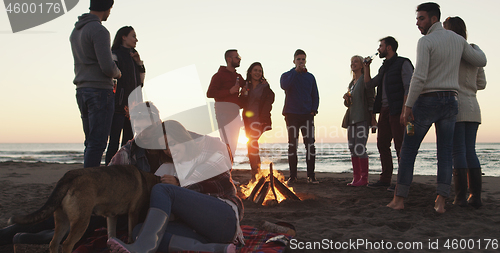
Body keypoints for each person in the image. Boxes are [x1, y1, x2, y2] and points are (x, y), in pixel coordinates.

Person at [387, 2, 487, 213]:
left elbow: (419, 76)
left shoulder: (426, 41)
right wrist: (473, 47)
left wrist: (407, 106)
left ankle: (399, 199)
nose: (417, 23)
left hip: (428, 100)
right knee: (445, 153)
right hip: (451, 101)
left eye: (421, 18)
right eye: (416, 19)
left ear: (434, 19)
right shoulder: (458, 40)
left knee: (408, 151)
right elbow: (480, 60)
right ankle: (440, 202)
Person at [107, 120, 243, 253]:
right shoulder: (166, 169)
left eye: (172, 143)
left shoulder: (206, 154)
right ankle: (216, 249)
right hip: (196, 229)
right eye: (164, 147)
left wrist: (179, 183)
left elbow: (209, 175)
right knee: (140, 231)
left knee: (162, 189)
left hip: (223, 219)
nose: (168, 150)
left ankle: (143, 249)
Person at [70, 0, 121, 168]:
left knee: (90, 142)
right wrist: (118, 73)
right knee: (98, 143)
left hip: (82, 90)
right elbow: (107, 67)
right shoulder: (99, 31)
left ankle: (87, 180)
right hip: (99, 91)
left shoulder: (76, 31)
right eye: (110, 9)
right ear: (106, 8)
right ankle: (90, 184)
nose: (110, 13)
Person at [443, 16, 487, 208]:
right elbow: (482, 84)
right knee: (470, 150)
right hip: (474, 106)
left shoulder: (452, 52)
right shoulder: (474, 53)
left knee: (458, 151)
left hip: (457, 104)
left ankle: (460, 196)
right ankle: (475, 196)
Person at [363, 36, 414, 190]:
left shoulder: (403, 63)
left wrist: (406, 109)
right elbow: (369, 85)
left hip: (398, 109)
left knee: (400, 145)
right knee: (382, 144)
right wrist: (366, 68)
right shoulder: (384, 67)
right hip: (384, 110)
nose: (379, 49)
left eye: (381, 46)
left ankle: (402, 181)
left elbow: (409, 87)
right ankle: (385, 179)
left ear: (389, 48)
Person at [105, 26, 146, 165]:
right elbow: (112, 77)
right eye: (133, 36)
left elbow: (141, 83)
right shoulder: (114, 54)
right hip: (118, 105)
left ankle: (125, 171)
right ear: (123, 37)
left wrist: (139, 63)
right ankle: (109, 171)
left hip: (134, 107)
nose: (136, 39)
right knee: (114, 142)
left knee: (129, 142)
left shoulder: (134, 56)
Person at [281, 49, 320, 184]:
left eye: (303, 59)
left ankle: (311, 175)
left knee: (310, 145)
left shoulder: (310, 77)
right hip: (291, 114)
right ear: (294, 61)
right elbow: (284, 86)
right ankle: (293, 176)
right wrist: (295, 72)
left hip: (307, 115)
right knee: (292, 145)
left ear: (306, 61)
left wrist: (313, 110)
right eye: (299, 59)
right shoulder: (287, 75)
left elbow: (315, 95)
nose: (301, 61)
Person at [342, 55, 376, 187]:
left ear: (362, 65)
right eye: (351, 62)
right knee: (352, 148)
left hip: (362, 118)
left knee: (360, 147)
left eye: (356, 61)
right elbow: (350, 103)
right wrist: (346, 99)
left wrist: (373, 118)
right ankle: (356, 178)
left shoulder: (364, 80)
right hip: (351, 119)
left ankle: (364, 178)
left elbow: (371, 96)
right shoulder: (352, 83)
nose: (353, 64)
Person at [207, 49, 245, 160]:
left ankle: (228, 174)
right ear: (229, 59)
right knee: (226, 145)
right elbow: (210, 93)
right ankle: (225, 173)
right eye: (237, 57)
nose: (239, 59)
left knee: (233, 146)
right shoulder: (218, 76)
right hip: (223, 114)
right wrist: (229, 91)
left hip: (235, 114)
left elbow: (247, 86)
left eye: (239, 57)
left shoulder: (238, 76)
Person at [239, 62, 275, 180]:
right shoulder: (246, 85)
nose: (257, 73)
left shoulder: (265, 87)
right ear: (250, 72)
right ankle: (256, 172)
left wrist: (263, 120)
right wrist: (243, 93)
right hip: (248, 120)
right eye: (255, 70)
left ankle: (256, 172)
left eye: (260, 71)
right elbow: (241, 104)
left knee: (252, 143)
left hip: (259, 120)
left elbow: (270, 100)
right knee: (251, 145)